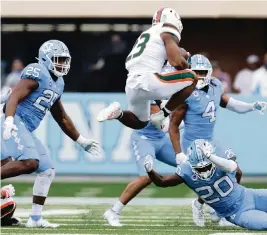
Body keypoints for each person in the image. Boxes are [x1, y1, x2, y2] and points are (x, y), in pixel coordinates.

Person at [1, 40, 100, 228]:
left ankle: (35, 219)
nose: (62, 64)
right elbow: (14, 96)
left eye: (64, 60)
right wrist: (8, 120)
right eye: (58, 59)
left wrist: (81, 140)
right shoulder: (37, 72)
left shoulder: (58, 82)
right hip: (12, 120)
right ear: (46, 59)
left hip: (24, 126)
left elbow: (61, 117)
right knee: (30, 162)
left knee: (46, 170)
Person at [168, 54, 267, 226]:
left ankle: (209, 205)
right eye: (195, 71)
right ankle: (218, 210)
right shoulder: (185, 93)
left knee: (235, 171)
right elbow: (173, 125)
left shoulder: (215, 85)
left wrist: (251, 106)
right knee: (207, 178)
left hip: (210, 141)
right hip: (192, 144)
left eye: (202, 71)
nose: (199, 75)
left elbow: (231, 103)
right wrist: (178, 153)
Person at [97, 8, 198, 130]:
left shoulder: (149, 34)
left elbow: (155, 88)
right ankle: (163, 115)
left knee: (140, 122)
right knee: (192, 78)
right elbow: (177, 62)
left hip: (132, 84)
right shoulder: (167, 28)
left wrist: (181, 53)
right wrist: (186, 66)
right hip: (148, 79)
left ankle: (118, 113)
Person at [144, 139, 267, 230]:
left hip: (249, 195)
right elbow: (163, 182)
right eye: (200, 169)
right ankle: (200, 206)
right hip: (237, 213)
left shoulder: (220, 160)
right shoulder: (186, 171)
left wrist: (210, 157)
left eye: (207, 166)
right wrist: (150, 170)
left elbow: (236, 169)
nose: (205, 171)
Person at [103, 100, 184, 226]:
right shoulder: (153, 89)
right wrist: (175, 121)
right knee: (146, 177)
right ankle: (113, 211)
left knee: (191, 166)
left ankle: (210, 206)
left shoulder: (176, 88)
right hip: (144, 139)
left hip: (162, 139)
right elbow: (156, 116)